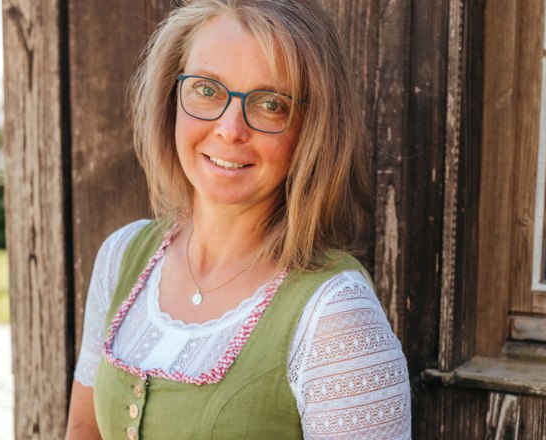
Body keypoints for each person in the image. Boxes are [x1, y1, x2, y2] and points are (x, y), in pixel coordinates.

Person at [65, 1, 411, 438]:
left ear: (313, 127)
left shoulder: (335, 318)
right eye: (207, 90)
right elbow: (83, 427)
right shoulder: (123, 255)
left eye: (271, 104)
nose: (230, 130)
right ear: (172, 97)